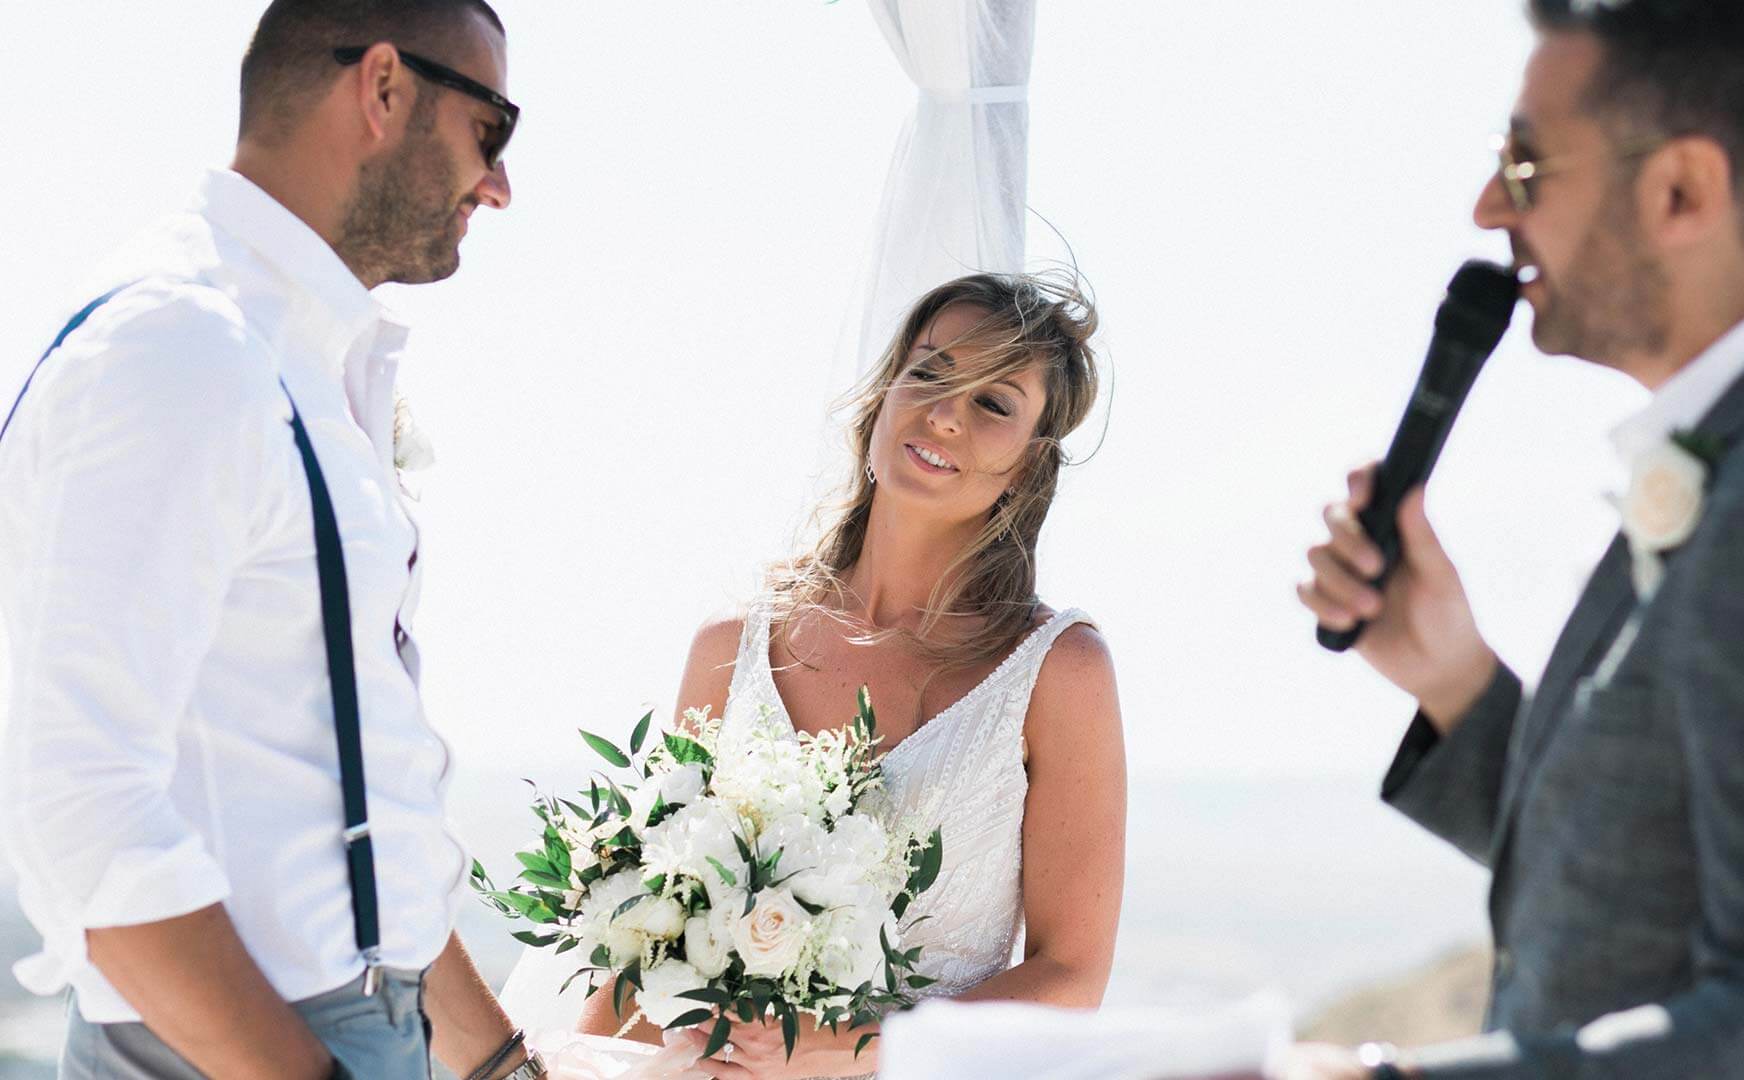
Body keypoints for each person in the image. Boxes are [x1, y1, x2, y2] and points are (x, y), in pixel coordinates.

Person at [1293, 0, 1744, 1077]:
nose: (1488, 205)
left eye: (1526, 165)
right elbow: (1648, 878)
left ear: (1683, 191)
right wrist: (1458, 685)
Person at [0, 2, 542, 1077]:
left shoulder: (292, 353)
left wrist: (501, 1070)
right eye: (492, 128)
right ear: (382, 88)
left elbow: (350, 807)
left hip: (348, 1030)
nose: (498, 185)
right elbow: (80, 804)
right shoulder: (178, 348)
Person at [504, 272, 1127, 1079]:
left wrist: (848, 1048)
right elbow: (651, 936)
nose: (946, 415)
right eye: (931, 373)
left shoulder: (1056, 671)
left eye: (992, 403)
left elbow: (1071, 976)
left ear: (1030, 463)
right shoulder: (730, 646)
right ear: (884, 392)